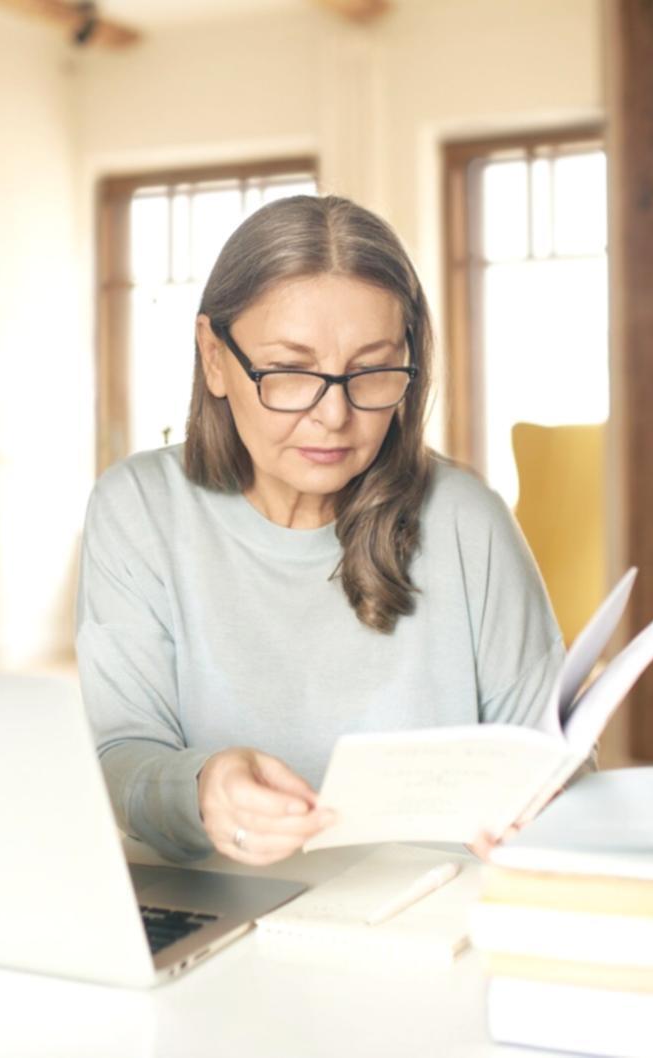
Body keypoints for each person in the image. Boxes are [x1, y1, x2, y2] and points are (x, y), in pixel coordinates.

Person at [76, 194, 564, 867]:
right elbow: (119, 759)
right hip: (225, 914)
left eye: (371, 371)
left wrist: (544, 809)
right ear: (214, 358)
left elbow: (554, 755)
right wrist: (203, 789)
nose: (334, 415)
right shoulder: (138, 509)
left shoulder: (465, 520)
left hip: (435, 919)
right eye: (291, 372)